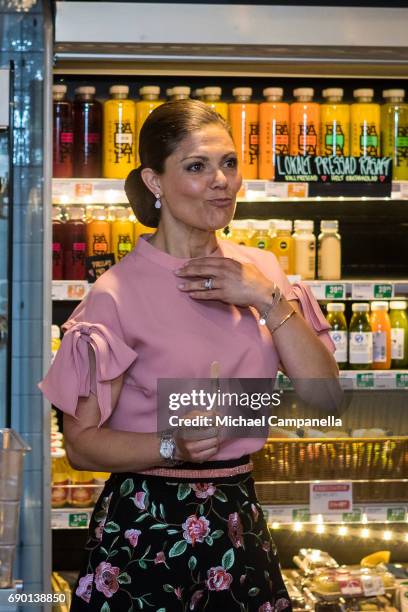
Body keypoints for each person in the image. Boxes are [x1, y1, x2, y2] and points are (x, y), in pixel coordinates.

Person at [39, 99, 339, 611]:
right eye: (197, 166)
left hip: (238, 517)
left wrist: (266, 298)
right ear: (155, 182)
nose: (221, 180)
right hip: (146, 528)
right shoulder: (116, 293)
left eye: (229, 163)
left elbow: (326, 397)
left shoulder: (262, 269)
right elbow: (82, 447)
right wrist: (169, 443)